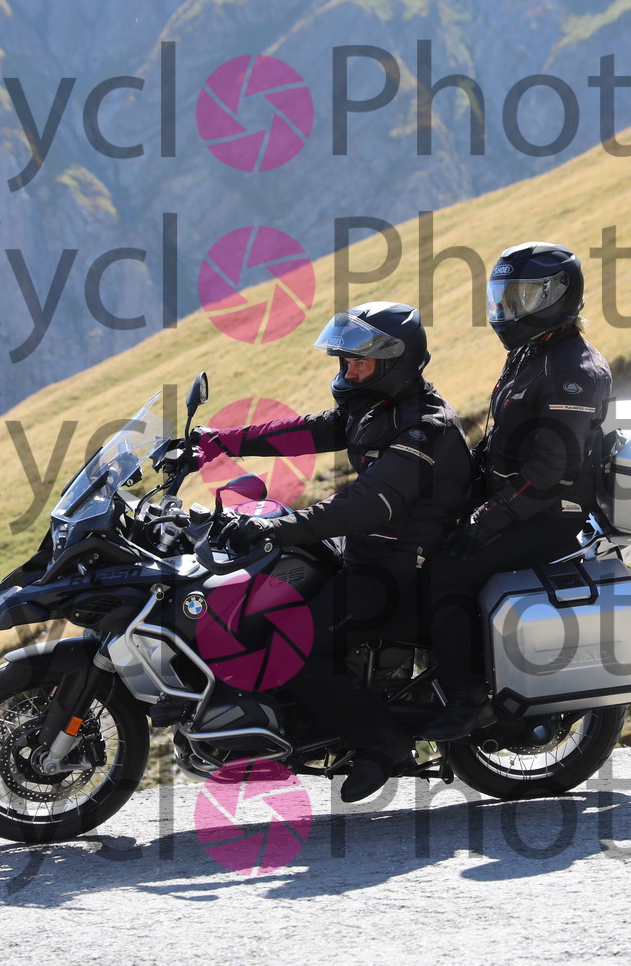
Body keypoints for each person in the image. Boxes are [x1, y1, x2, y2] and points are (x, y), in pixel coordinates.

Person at [162, 301, 472, 800]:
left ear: (394, 362)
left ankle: (383, 743)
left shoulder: (423, 430)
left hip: (400, 571)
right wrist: (218, 442)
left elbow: (366, 504)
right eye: (345, 362)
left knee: (297, 648)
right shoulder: (377, 409)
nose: (348, 373)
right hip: (368, 552)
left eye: (359, 363)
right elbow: (306, 430)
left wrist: (278, 528)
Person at [418, 242, 613, 741]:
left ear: (557, 295)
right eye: (503, 298)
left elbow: (552, 473)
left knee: (447, 570)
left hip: (548, 515)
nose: (507, 310)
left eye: (521, 298)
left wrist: (485, 520)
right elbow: (503, 438)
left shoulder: (573, 371)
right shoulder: (533, 352)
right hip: (512, 502)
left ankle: (466, 697)